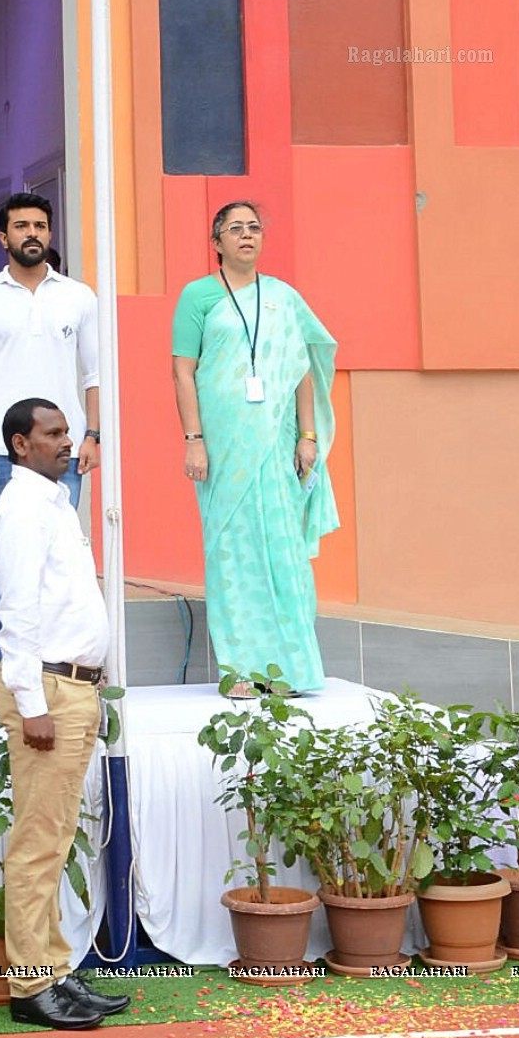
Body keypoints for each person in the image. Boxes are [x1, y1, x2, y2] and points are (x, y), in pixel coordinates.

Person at [0, 397, 129, 1030]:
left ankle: (53, 973)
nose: (67, 442)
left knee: (54, 839)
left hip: (70, 689)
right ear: (21, 444)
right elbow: (16, 614)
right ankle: (28, 987)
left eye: (67, 431)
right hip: (45, 689)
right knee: (38, 845)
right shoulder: (21, 509)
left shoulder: (52, 502)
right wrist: (33, 704)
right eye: (53, 433)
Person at [171, 201, 338, 696]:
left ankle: (290, 670)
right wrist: (194, 441)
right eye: (235, 229)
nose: (247, 235)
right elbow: (183, 371)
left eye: (255, 228)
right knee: (231, 552)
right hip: (223, 450)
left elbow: (301, 367)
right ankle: (241, 669)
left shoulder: (284, 298)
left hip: (277, 441)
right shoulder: (198, 296)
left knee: (283, 553)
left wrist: (307, 436)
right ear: (216, 242)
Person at [0, 192, 99, 651]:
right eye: (20, 226)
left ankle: (56, 659)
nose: (31, 233)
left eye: (39, 225)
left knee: (61, 554)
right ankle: (9, 666)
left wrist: (93, 434)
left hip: (63, 453)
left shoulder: (78, 297)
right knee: (9, 558)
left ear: (50, 234)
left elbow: (94, 373)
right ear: (2, 236)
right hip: (1, 451)